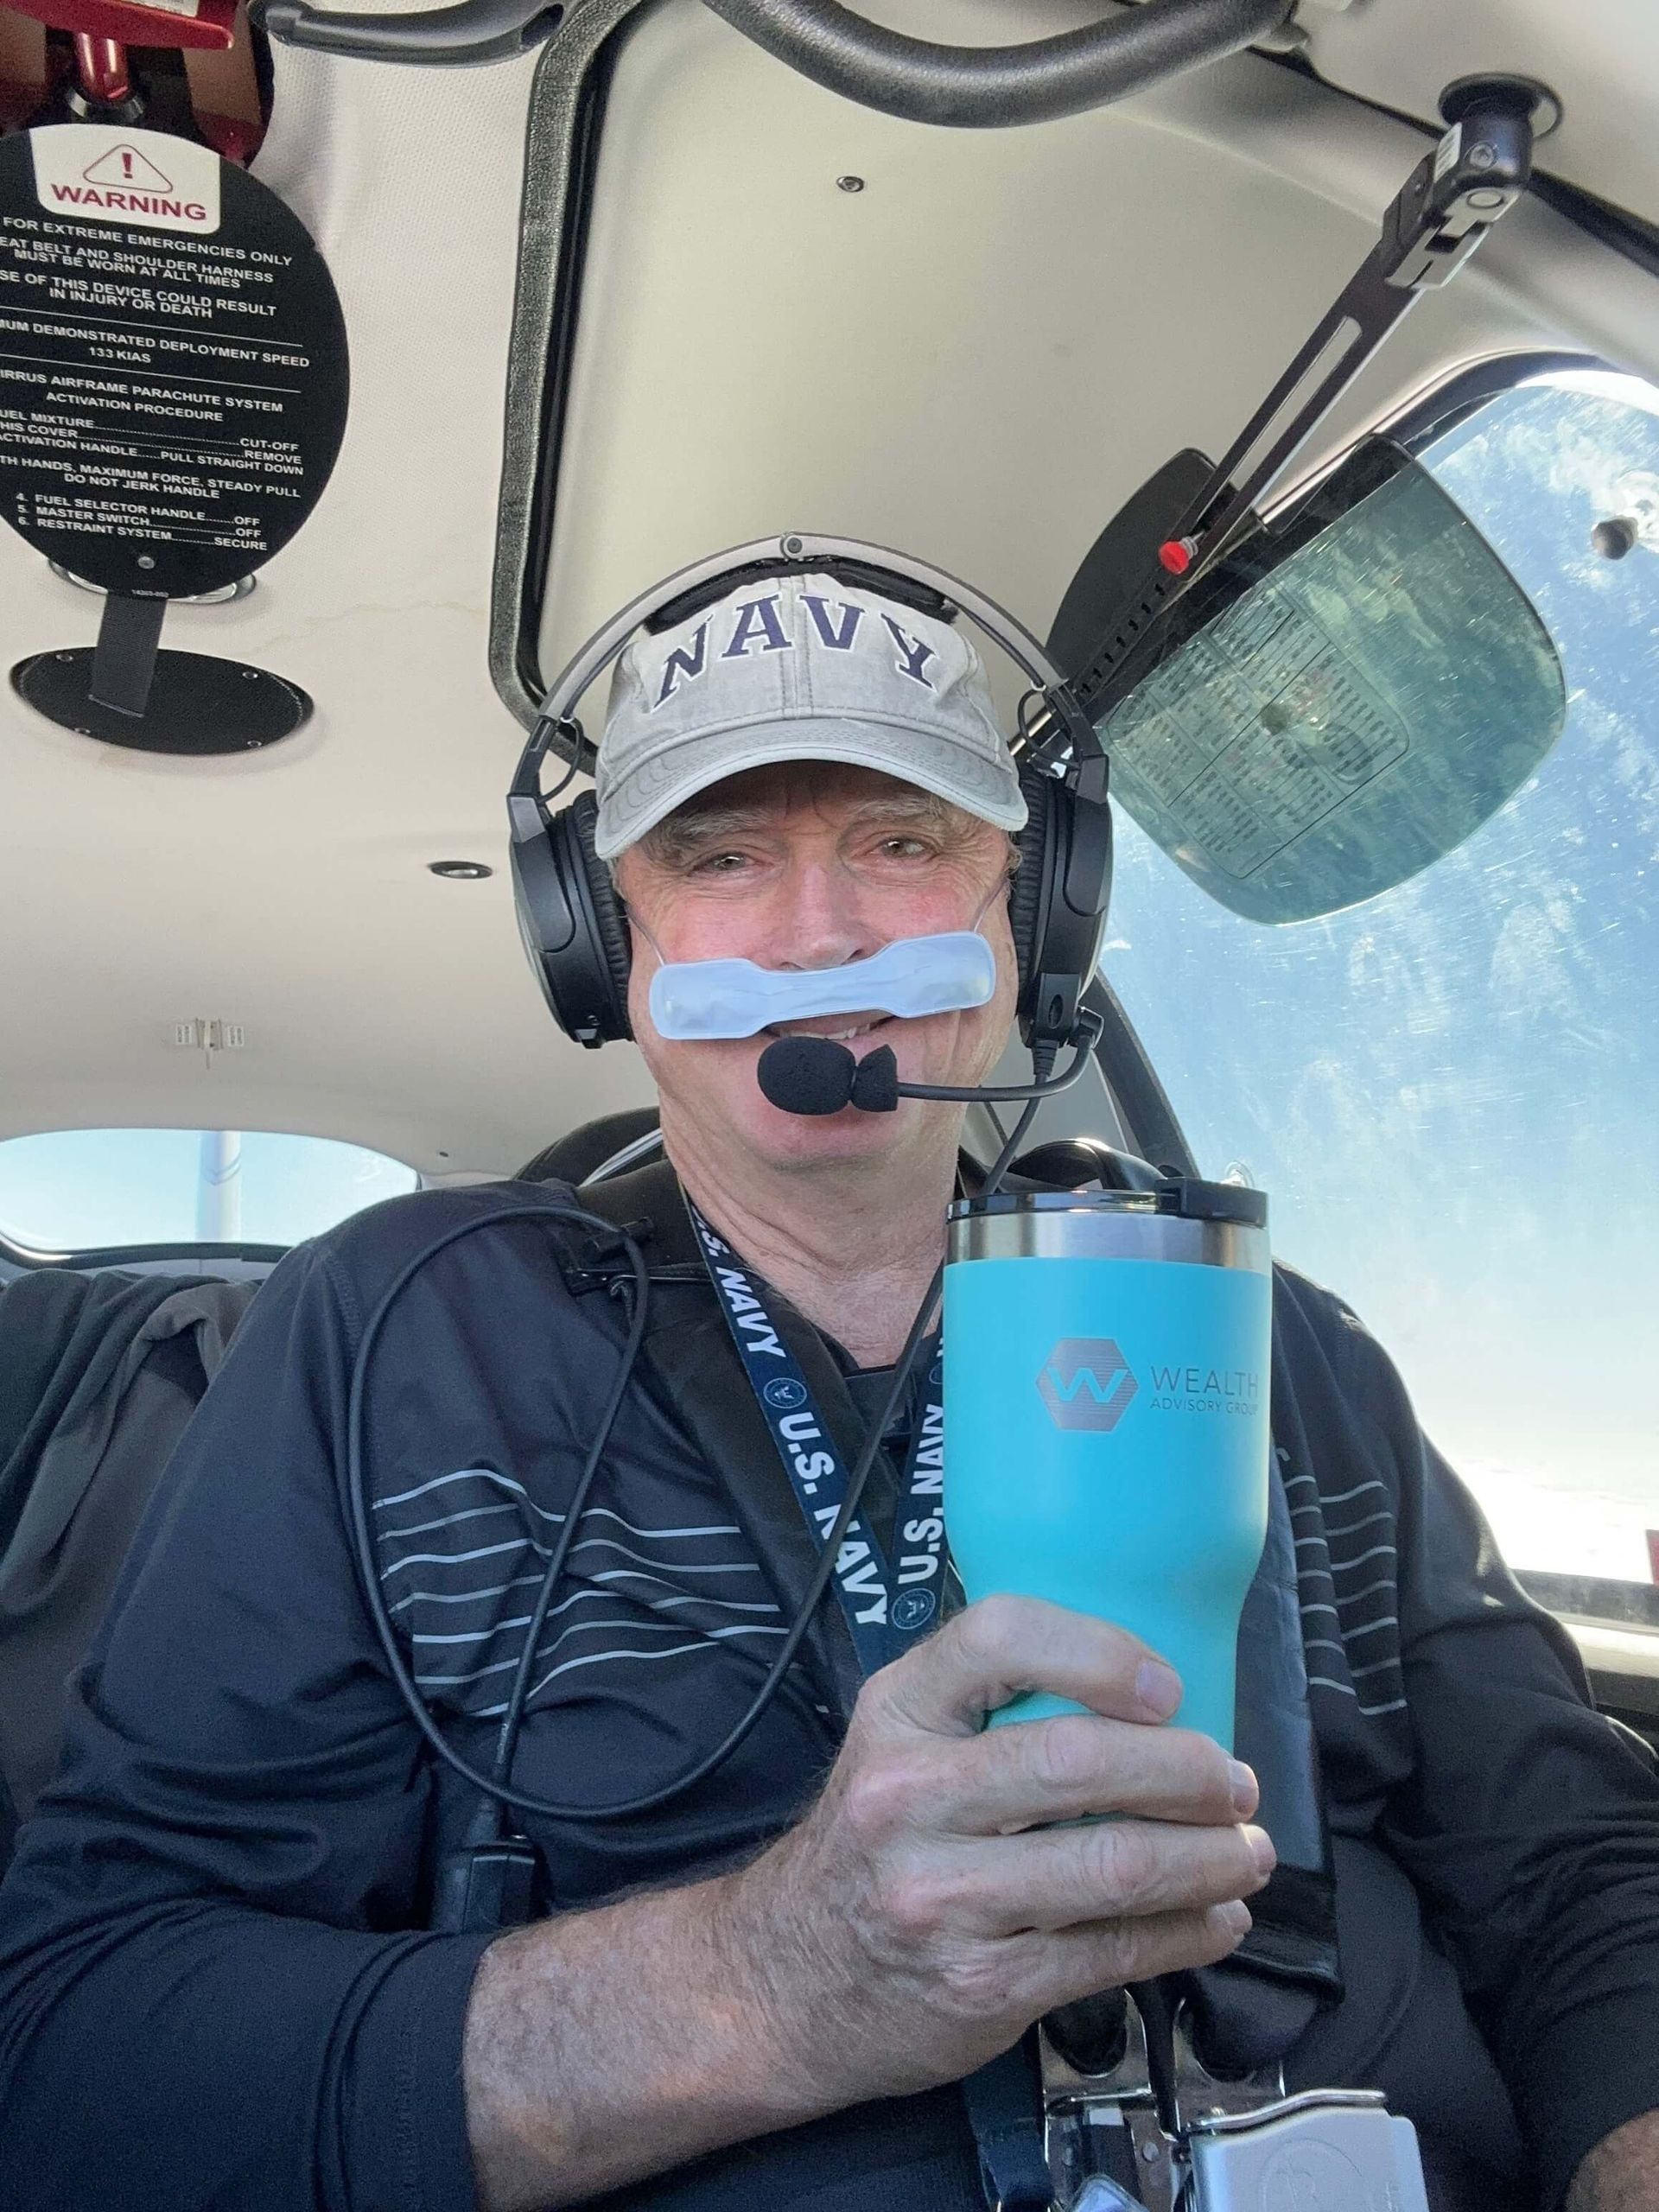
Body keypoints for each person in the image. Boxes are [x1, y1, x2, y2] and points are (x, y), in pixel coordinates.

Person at [1, 568, 1656, 2212]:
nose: (818, 935)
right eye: (719, 857)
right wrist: (767, 1985)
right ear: (603, 940)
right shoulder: (393, 1336)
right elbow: (81, 2050)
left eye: (903, 842)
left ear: (1031, 915)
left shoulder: (1280, 1345)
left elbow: (1583, 1874)